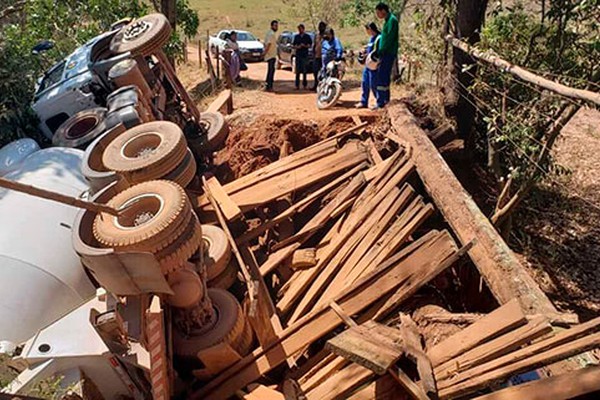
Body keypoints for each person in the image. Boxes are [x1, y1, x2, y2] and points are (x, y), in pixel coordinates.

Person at [374, 2, 399, 109]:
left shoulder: (392, 20)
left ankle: (381, 102)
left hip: (387, 53)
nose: (377, 15)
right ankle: (385, 101)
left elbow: (388, 39)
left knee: (381, 77)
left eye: (378, 12)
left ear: (383, 10)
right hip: (385, 52)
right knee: (384, 77)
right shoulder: (387, 21)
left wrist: (380, 51)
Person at [355, 23, 381, 108]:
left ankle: (379, 102)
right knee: (365, 82)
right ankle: (364, 101)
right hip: (368, 64)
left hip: (374, 65)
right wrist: (364, 50)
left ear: (370, 29)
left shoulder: (379, 38)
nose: (366, 32)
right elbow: (370, 48)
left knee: (374, 84)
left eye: (367, 29)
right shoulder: (371, 38)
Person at [292, 24, 313, 90]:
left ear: (303, 29)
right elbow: (293, 45)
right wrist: (297, 47)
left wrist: (305, 46)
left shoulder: (307, 37)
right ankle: (297, 85)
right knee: (297, 71)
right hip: (298, 55)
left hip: (305, 55)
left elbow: (310, 45)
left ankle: (304, 85)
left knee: (304, 70)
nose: (300, 30)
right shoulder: (296, 37)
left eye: (300, 29)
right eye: (299, 29)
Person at [311, 21, 327, 90]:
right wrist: (313, 53)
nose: (320, 28)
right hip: (317, 56)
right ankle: (316, 85)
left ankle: (323, 86)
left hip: (324, 57)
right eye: (319, 26)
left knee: (324, 72)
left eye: (322, 26)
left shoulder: (326, 36)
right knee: (315, 71)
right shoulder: (316, 35)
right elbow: (314, 44)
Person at [263, 20, 279, 91]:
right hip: (271, 55)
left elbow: (265, 43)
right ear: (271, 26)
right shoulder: (271, 34)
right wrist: (265, 53)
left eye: (277, 25)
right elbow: (268, 44)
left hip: (271, 55)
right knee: (271, 71)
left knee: (270, 70)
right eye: (275, 25)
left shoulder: (268, 33)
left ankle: (268, 85)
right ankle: (269, 86)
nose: (276, 27)